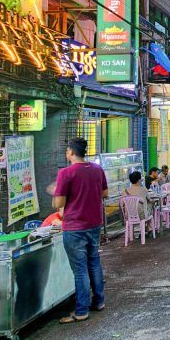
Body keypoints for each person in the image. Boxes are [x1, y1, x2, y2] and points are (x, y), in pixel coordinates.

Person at [51, 137, 107, 324]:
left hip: (75, 226)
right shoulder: (97, 169)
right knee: (94, 262)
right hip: (94, 223)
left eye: (67, 151)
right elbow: (105, 194)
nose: (66, 153)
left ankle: (81, 310)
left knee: (80, 269)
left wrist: (56, 193)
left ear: (72, 152)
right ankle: (99, 301)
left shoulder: (66, 173)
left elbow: (59, 203)